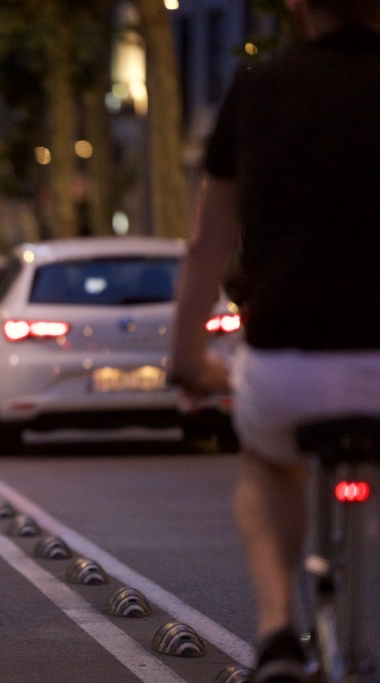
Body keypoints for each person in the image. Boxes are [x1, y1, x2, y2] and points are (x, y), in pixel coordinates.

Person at [169, 1, 380, 681]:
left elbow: (207, 246)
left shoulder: (257, 90)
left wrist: (186, 360)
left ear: (296, 6)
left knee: (265, 462)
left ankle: (276, 630)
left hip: (290, 362)